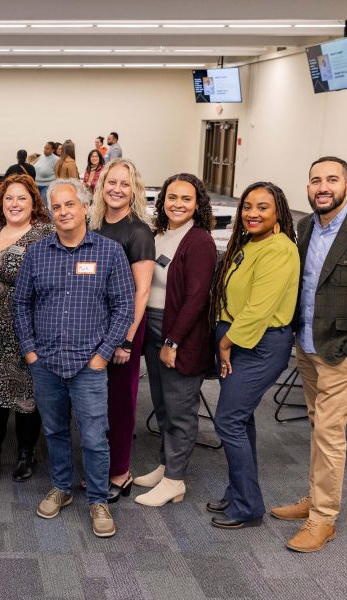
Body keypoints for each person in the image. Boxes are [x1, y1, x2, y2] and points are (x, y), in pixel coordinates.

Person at [14, 178, 134, 538]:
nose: (64, 212)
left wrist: (102, 355)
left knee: (95, 437)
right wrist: (30, 352)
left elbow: (124, 306)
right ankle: (62, 488)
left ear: (84, 207)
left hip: (88, 364)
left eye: (70, 205)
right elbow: (21, 303)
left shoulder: (109, 252)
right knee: (54, 431)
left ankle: (97, 499)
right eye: (57, 207)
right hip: (46, 362)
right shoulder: (37, 253)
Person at [270, 156, 347, 552]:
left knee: (329, 435)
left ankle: (323, 519)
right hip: (306, 347)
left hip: (341, 353)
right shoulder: (305, 226)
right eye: (314, 180)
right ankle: (315, 496)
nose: (322, 187)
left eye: (331, 180)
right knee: (317, 427)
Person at [207, 181, 299, 530]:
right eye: (247, 206)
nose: (252, 213)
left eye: (262, 207)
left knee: (228, 421)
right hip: (237, 337)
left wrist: (227, 343)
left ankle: (248, 506)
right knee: (241, 419)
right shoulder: (250, 242)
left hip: (258, 344)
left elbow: (260, 308)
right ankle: (238, 493)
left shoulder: (279, 249)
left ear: (278, 213)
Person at [133, 173, 216, 507]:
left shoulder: (199, 242)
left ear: (198, 204)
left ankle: (175, 481)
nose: (177, 204)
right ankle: (166, 464)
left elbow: (197, 298)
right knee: (164, 404)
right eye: (172, 197)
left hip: (180, 332)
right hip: (153, 326)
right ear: (162, 200)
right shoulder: (159, 234)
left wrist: (174, 341)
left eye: (186, 198)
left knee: (181, 409)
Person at [0, 174, 53, 487]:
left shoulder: (45, 234)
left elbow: (45, 279)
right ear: (0, 202)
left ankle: (25, 453)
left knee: (26, 394)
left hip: (28, 327)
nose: (15, 203)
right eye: (9, 198)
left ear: (34, 201)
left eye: (22, 197)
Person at [90, 158, 154, 502]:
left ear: (134, 190)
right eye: (111, 183)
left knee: (119, 401)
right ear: (101, 187)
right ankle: (102, 467)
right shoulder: (95, 225)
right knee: (95, 401)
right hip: (94, 325)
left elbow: (141, 291)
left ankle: (120, 472)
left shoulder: (138, 231)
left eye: (124, 184)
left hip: (124, 328)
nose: (116, 189)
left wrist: (126, 339)